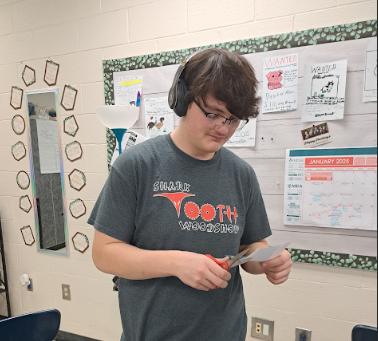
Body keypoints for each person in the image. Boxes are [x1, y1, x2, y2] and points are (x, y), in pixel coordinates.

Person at [89, 49, 293, 341]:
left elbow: (249, 250)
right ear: (183, 99)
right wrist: (177, 263)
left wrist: (268, 262)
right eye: (213, 114)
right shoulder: (136, 166)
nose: (223, 128)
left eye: (234, 120)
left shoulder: (242, 174)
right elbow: (104, 253)